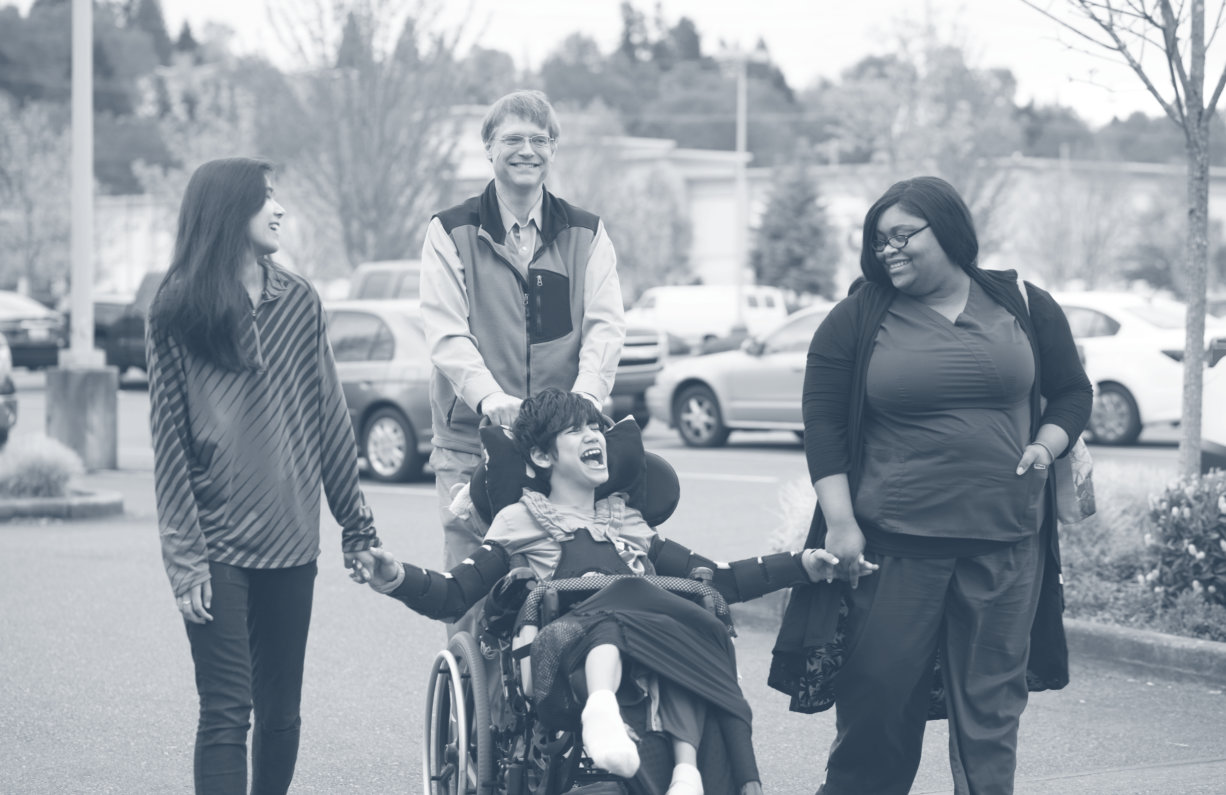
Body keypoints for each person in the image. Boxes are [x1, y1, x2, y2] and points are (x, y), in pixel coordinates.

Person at [768, 176, 1093, 795]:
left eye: (902, 235)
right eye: (877, 240)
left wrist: (1046, 445)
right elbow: (824, 425)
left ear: (947, 229)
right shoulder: (857, 317)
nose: (887, 249)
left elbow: (1073, 391)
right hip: (895, 549)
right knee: (878, 711)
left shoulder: (1023, 302)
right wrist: (841, 524)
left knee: (991, 714)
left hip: (1006, 542)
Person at [357, 388, 844, 795]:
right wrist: (395, 576)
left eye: (596, 428)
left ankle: (687, 772)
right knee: (612, 610)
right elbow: (455, 592)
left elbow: (719, 577)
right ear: (543, 457)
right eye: (576, 430)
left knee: (696, 625)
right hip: (561, 649)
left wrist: (803, 564)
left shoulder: (629, 522)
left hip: (651, 639)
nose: (593, 435)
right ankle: (603, 711)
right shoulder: (519, 519)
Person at [146, 157, 381, 795]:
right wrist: (185, 557)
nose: (278, 210)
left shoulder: (300, 302)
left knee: (281, 711)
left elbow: (329, 417)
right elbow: (168, 441)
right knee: (225, 711)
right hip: (214, 543)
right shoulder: (176, 311)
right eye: (265, 199)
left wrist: (356, 527)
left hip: (291, 536)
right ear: (227, 212)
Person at [419, 89, 627, 617]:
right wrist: (490, 398)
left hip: (561, 448)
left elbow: (605, 326)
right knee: (472, 590)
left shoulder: (586, 232)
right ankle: (476, 689)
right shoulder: (450, 231)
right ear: (488, 147)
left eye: (540, 139)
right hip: (473, 440)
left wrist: (584, 400)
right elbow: (446, 331)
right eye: (513, 138)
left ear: (554, 150)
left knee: (574, 580)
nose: (527, 149)